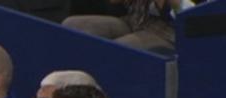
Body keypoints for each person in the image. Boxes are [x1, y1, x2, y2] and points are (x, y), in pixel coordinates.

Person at [61, 0, 196, 54]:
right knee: (72, 25)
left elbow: (185, 12)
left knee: (119, 49)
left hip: (167, 31)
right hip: (135, 20)